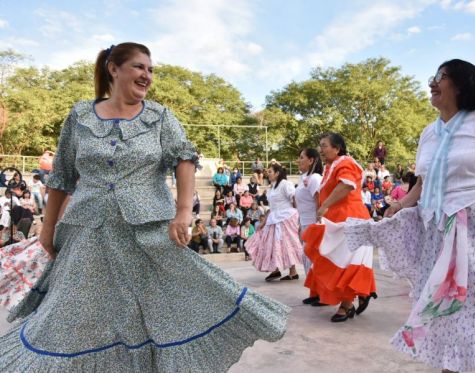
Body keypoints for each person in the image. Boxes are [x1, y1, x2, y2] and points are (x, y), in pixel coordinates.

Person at [0, 42, 289, 372]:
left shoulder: (160, 117)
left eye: (150, 69)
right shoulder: (80, 117)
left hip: (148, 233)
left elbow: (184, 158)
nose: (147, 75)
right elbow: (62, 177)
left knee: (158, 312)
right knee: (74, 315)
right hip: (87, 234)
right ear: (114, 69)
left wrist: (183, 211)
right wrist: (48, 228)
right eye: (139, 67)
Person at [346, 59, 475, 373]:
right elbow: (424, 182)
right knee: (446, 312)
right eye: (434, 76)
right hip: (438, 232)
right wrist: (401, 204)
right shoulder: (428, 133)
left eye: (441, 77)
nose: (432, 82)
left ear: (461, 84)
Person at [302, 133, 377, 322]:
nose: (321, 149)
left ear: (337, 148)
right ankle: (355, 295)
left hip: (350, 221)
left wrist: (325, 204)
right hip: (335, 221)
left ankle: (347, 304)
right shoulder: (330, 167)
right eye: (320, 145)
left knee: (345, 264)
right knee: (330, 261)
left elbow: (347, 186)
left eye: (324, 145)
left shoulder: (346, 163)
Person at [245, 163, 302, 281]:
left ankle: (293, 272)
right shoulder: (271, 188)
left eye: (270, 171)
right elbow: (272, 208)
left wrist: (298, 214)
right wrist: (263, 222)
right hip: (273, 218)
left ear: (277, 173)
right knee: (272, 245)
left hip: (286, 217)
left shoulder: (285, 184)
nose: (268, 173)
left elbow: (294, 199)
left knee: (287, 244)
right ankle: (276, 270)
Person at [294, 148, 323, 302]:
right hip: (304, 222)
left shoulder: (315, 178)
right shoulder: (304, 177)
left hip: (313, 223)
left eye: (301, 157)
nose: (299, 160)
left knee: (314, 259)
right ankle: (315, 292)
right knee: (307, 259)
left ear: (311, 160)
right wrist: (300, 224)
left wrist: (318, 222)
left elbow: (319, 200)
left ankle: (322, 294)